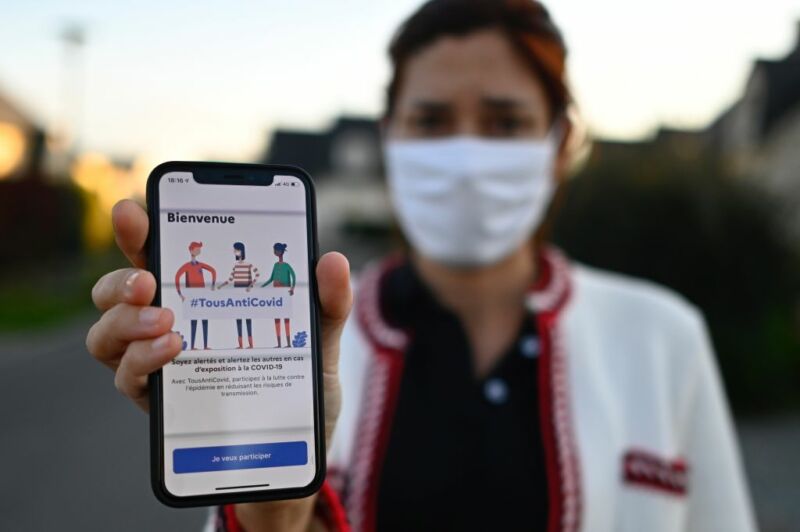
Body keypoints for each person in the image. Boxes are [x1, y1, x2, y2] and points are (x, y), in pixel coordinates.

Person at [85, 1, 756, 531]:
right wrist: (273, 504)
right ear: (390, 140)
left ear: (560, 144)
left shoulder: (663, 335)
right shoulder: (296, 344)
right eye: (431, 121)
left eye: (504, 123)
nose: (465, 153)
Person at [174, 241, 216, 350]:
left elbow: (213, 271)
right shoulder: (187, 266)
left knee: (204, 320)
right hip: (191, 295)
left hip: (202, 295)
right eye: (197, 249)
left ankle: (205, 345)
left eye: (199, 249)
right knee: (194, 321)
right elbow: (177, 277)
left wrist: (212, 285)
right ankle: (192, 346)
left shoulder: (200, 265)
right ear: (191, 250)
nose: (199, 251)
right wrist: (180, 294)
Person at [217, 241, 260, 349]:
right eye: (234, 250)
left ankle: (251, 344)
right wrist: (221, 285)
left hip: (245, 293)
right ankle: (240, 345)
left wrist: (251, 285)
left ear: (241, 251)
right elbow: (231, 279)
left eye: (236, 250)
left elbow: (257, 274)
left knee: (248, 318)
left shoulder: (248, 264)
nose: (234, 252)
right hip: (237, 293)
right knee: (238, 319)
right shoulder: (235, 266)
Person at [262, 242, 297, 348]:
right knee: (277, 318)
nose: (274, 252)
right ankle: (279, 344)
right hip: (276, 294)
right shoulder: (275, 265)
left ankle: (288, 343)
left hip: (285, 293)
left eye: (275, 250)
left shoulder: (286, 266)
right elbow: (271, 278)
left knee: (286, 318)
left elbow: (293, 276)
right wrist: (261, 288)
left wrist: (292, 288)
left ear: (280, 251)